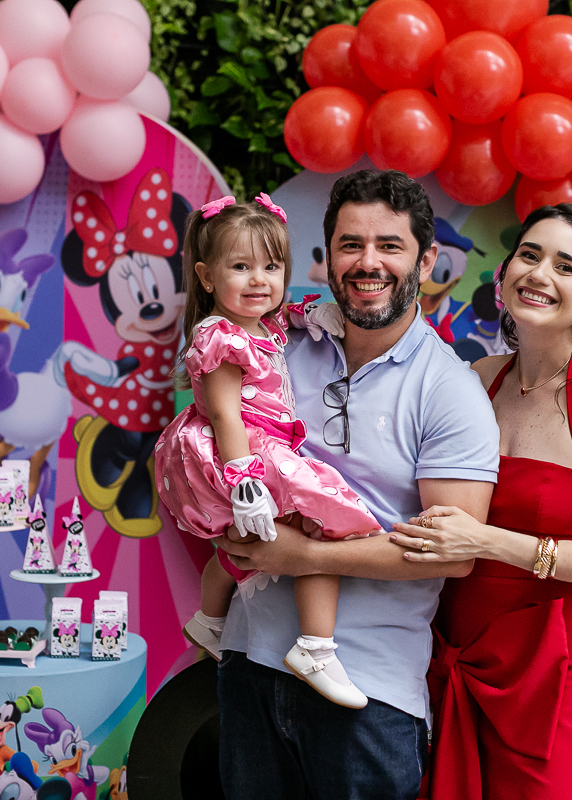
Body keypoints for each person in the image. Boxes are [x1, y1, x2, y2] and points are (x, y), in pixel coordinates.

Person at [216, 169, 500, 800]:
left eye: (389, 246)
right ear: (328, 253)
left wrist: (307, 557)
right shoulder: (278, 341)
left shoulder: (451, 393)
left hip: (369, 694)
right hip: (251, 663)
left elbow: (453, 554)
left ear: (425, 259)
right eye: (350, 244)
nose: (367, 263)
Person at [392, 204, 572, 800]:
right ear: (503, 273)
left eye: (566, 266)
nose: (539, 274)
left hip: (556, 673)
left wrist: (487, 542)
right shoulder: (476, 380)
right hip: (458, 655)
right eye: (530, 255)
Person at [155, 194, 386, 709]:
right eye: (241, 266)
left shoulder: (264, 327)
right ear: (207, 276)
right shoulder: (220, 337)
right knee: (329, 523)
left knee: (245, 542)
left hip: (265, 447)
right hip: (248, 452)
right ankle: (316, 647)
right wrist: (244, 481)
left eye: (271, 266)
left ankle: (210, 621)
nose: (259, 279)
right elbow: (223, 415)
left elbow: (288, 321)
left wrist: (314, 314)